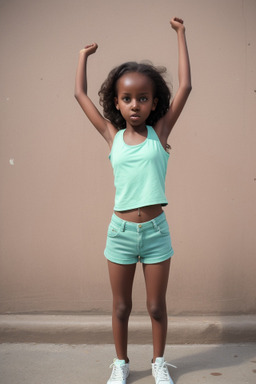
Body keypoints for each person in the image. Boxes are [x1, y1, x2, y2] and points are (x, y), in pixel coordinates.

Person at [75, 16, 191, 384]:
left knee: (156, 306)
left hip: (157, 232)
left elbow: (186, 85)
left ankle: (158, 363)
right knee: (121, 306)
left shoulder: (161, 132)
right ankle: (121, 364)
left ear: (154, 101)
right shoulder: (112, 136)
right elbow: (79, 95)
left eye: (143, 98)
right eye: (127, 99)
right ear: (117, 102)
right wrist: (83, 57)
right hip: (120, 232)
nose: (135, 105)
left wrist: (180, 34)